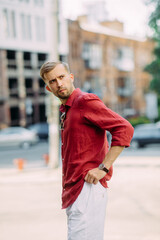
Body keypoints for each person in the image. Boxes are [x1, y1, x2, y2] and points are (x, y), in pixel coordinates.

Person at [40, 61, 134, 240]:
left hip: (87, 188)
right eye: (52, 81)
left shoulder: (84, 101)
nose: (59, 84)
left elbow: (125, 128)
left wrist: (103, 168)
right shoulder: (66, 110)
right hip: (74, 191)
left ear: (71, 77)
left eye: (61, 77)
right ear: (48, 88)